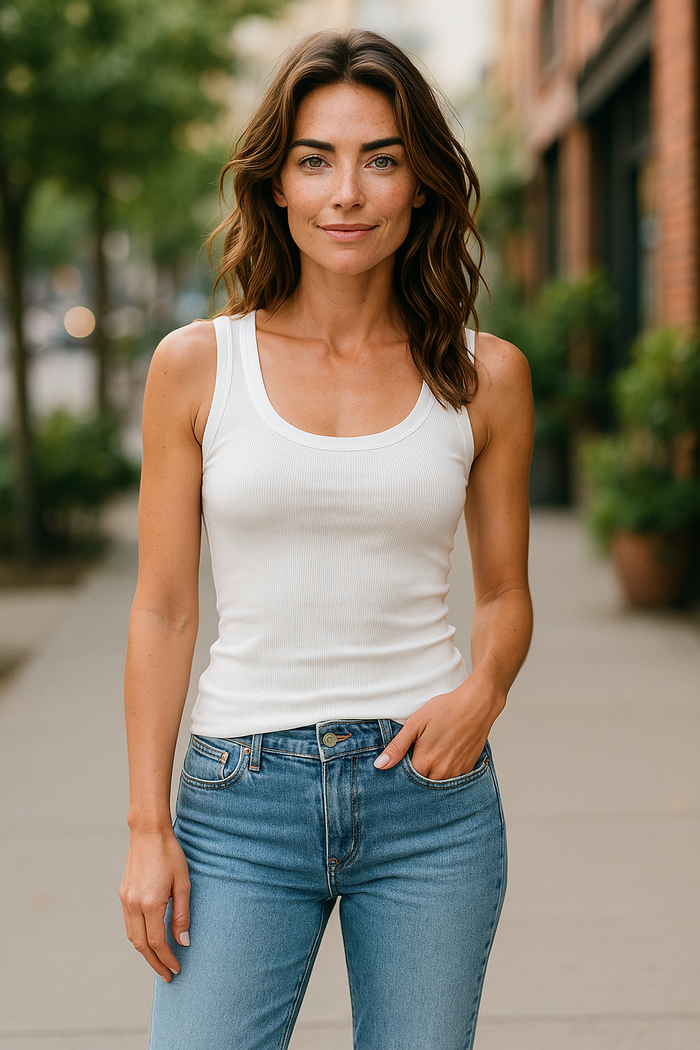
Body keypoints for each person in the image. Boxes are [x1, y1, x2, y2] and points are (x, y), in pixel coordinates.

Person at [120, 28, 534, 1050]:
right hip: (239, 801)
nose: (346, 191)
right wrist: (145, 828)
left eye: (380, 159)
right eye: (316, 159)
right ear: (276, 187)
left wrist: (482, 694)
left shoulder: (484, 377)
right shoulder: (196, 366)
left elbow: (503, 596)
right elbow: (164, 609)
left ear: (421, 186)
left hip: (429, 800)